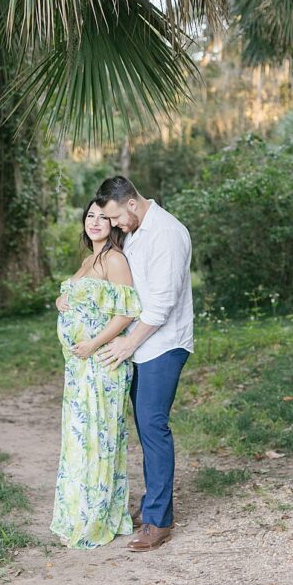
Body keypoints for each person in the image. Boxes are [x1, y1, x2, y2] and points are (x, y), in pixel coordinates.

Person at [94, 176, 193, 552]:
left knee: (153, 426)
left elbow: (162, 306)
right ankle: (153, 504)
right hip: (142, 346)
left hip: (163, 345)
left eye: (117, 217)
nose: (116, 224)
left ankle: (159, 521)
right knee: (145, 427)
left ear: (131, 204)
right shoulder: (136, 230)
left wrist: (126, 345)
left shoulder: (166, 233)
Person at [50, 199, 142, 548]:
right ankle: (79, 513)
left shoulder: (115, 260)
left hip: (102, 364)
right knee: (79, 441)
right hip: (78, 369)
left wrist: (92, 345)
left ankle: (98, 518)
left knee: (98, 439)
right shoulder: (89, 260)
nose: (95, 222)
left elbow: (126, 313)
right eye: (90, 216)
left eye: (103, 217)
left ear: (114, 224)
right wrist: (63, 301)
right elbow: (83, 300)